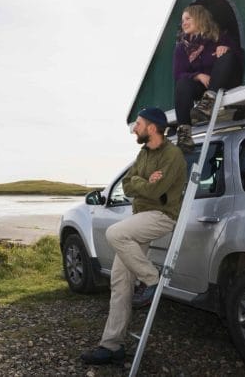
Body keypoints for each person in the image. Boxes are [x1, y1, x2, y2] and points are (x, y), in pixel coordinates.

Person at [80, 107, 187, 366]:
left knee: (115, 232)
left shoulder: (173, 155)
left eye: (137, 124)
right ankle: (112, 346)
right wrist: (144, 182)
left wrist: (147, 185)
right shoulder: (143, 153)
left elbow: (158, 191)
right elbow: (129, 184)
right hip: (141, 217)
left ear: (152, 127)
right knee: (119, 282)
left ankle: (151, 278)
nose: (134, 129)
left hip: (162, 215)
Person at [173, 4, 242, 150]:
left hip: (223, 81)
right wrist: (198, 75)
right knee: (182, 83)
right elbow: (178, 73)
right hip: (201, 86)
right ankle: (184, 133)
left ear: (199, 18)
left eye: (188, 18)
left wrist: (226, 48)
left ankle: (208, 102)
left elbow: (240, 56)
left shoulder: (219, 36)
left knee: (227, 55)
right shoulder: (182, 47)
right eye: (182, 20)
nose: (184, 23)